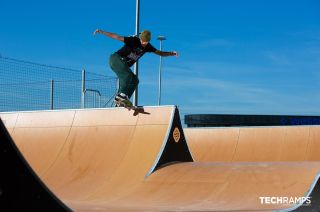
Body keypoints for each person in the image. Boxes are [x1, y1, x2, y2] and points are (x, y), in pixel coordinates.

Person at [93, 29, 178, 107]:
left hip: (123, 65)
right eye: (142, 41)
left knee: (135, 80)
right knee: (128, 76)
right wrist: (102, 32)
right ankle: (120, 97)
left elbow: (160, 53)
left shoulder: (148, 46)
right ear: (140, 38)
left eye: (146, 42)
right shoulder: (133, 40)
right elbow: (116, 36)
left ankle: (123, 102)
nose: (144, 43)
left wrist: (171, 53)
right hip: (116, 59)